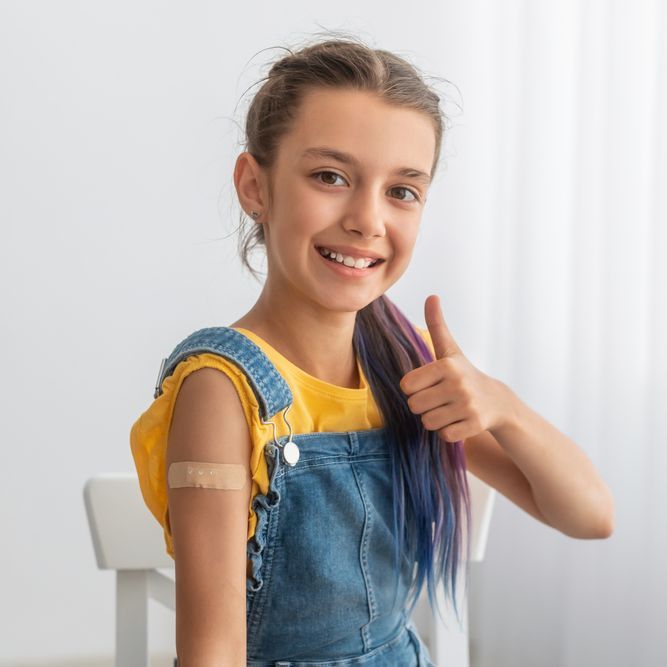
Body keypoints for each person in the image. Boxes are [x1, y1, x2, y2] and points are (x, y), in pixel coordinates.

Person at [130, 34, 615, 667]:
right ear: (255, 185)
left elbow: (590, 515)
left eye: (402, 191)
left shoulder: (405, 370)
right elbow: (212, 652)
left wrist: (502, 407)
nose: (368, 219)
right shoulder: (223, 390)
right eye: (330, 176)